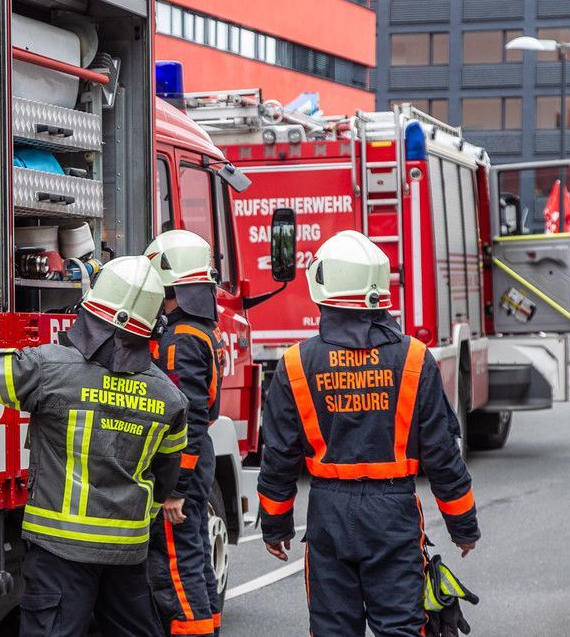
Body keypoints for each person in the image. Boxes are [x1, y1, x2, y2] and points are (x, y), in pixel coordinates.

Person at [0, 256, 189, 637]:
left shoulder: (50, 370)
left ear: (91, 310)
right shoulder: (170, 398)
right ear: (152, 326)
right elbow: (166, 476)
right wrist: (133, 520)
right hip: (129, 556)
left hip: (60, 555)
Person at [258, 230, 480, 637]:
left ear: (322, 289)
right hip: (393, 513)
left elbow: (279, 456)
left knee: (332, 630)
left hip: (327, 514)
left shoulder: (295, 364)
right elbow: (442, 453)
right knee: (402, 627)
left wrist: (275, 526)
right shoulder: (414, 358)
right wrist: (462, 525)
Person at [145, 230, 225, 637]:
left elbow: (187, 418)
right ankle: (208, 626)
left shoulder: (180, 339)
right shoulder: (202, 329)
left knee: (177, 562)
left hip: (182, 460)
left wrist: (175, 488)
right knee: (194, 553)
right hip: (197, 456)